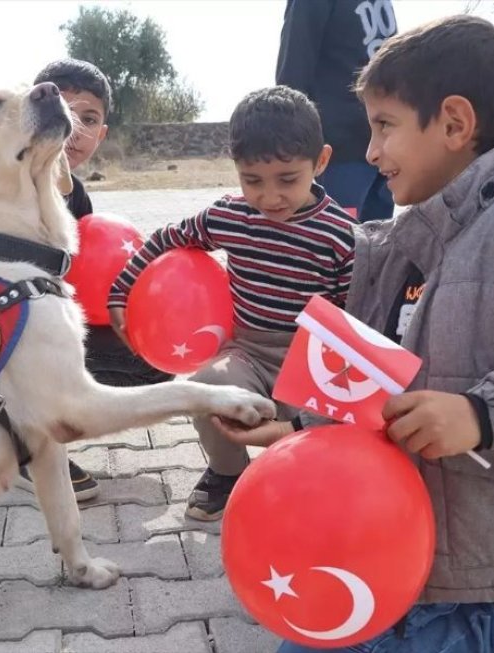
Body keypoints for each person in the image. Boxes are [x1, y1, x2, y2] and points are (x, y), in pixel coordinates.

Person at [216, 15, 494, 653]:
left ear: (452, 123)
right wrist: (297, 424)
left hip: (479, 569)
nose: (371, 151)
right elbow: (369, 379)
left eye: (384, 126)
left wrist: (481, 412)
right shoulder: (400, 246)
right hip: (390, 547)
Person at [107, 86, 359, 521]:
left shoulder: (340, 235)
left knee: (321, 440)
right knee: (207, 389)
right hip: (247, 350)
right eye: (252, 180)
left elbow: (353, 319)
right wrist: (121, 290)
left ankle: (301, 475)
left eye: (288, 179)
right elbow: (170, 236)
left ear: (320, 162)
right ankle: (228, 474)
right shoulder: (229, 216)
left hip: (314, 358)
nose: (269, 197)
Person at [0, 58, 172, 501]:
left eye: (91, 119)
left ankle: (43, 427)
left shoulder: (75, 194)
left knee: (151, 363)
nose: (77, 126)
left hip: (44, 325)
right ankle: (18, 444)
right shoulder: (11, 175)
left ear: (101, 135)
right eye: (66, 108)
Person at [276, 0, 396, 221]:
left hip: (387, 140)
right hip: (341, 148)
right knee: (340, 241)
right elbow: (294, 71)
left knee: (380, 245)